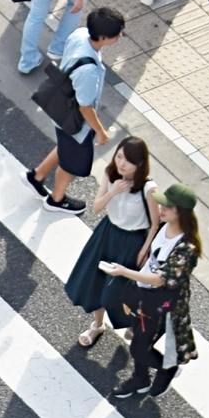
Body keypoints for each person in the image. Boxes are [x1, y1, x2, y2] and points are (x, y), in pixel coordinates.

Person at [102, 182, 201, 399]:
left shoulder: (186, 248)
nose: (161, 209)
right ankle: (141, 378)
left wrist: (125, 272)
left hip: (160, 305)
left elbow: (160, 280)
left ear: (181, 213)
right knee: (138, 338)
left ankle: (168, 368)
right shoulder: (166, 227)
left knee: (138, 347)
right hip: (142, 294)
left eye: (167, 207)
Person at [66, 135, 151, 349]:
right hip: (108, 233)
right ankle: (97, 324)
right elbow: (96, 208)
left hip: (133, 241)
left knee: (122, 290)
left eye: (128, 161)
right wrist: (114, 191)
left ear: (140, 164)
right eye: (119, 156)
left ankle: (136, 324)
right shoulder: (110, 174)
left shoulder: (148, 188)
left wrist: (145, 249)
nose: (121, 163)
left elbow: (155, 223)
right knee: (95, 281)